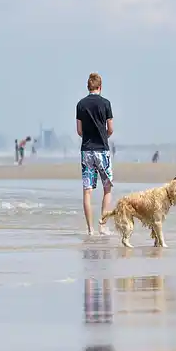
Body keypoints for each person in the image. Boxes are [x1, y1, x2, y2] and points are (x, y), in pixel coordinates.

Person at [76, 72, 114, 236]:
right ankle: (103, 226)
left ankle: (90, 229)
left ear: (88, 86)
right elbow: (110, 128)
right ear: (100, 86)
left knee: (87, 191)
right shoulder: (105, 103)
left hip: (86, 151)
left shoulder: (80, 104)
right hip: (102, 150)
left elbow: (79, 131)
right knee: (107, 188)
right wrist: (104, 136)